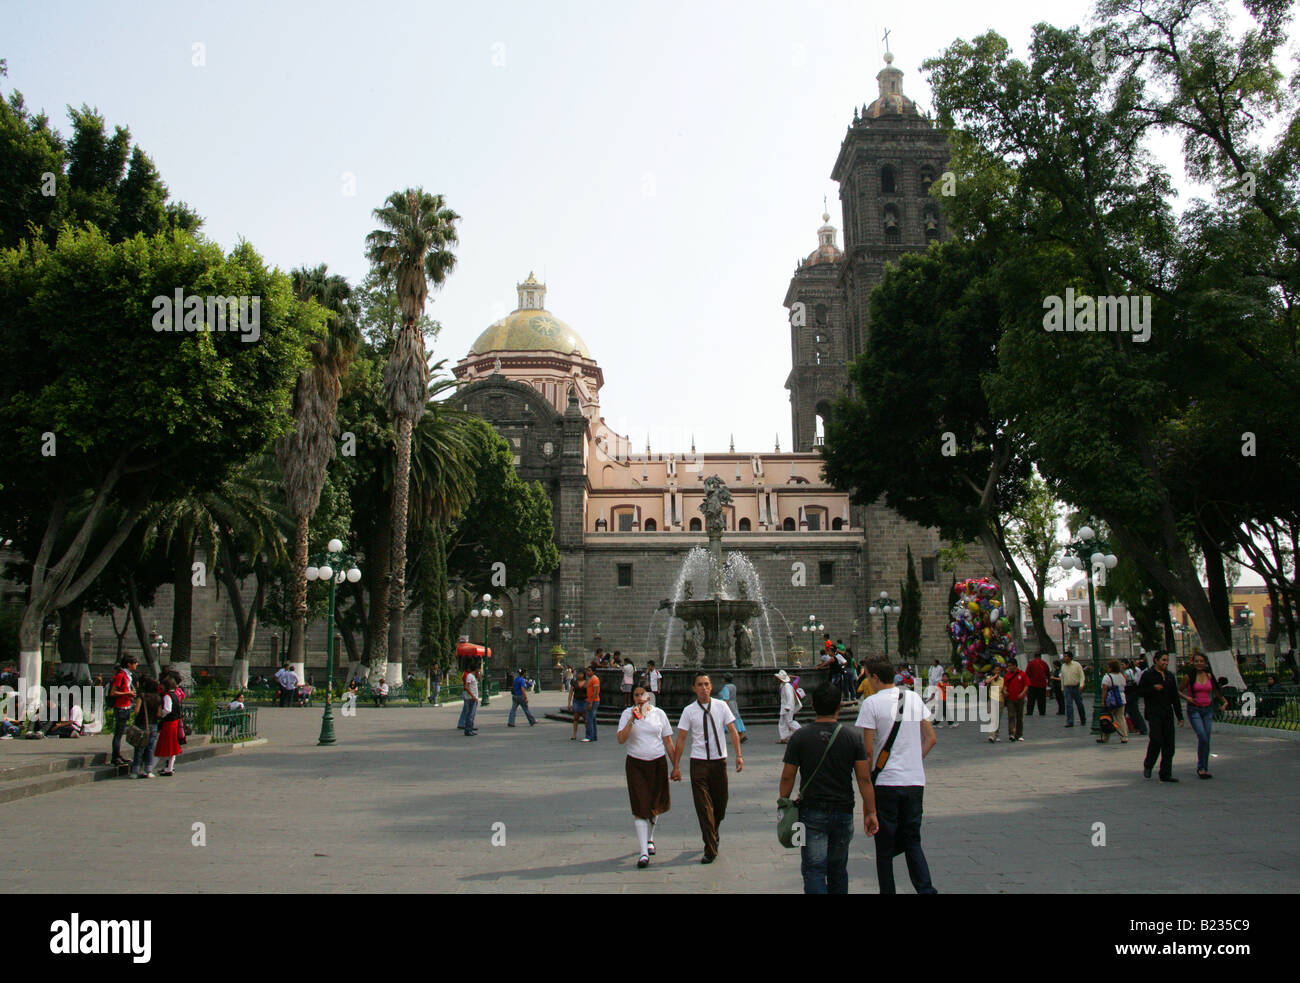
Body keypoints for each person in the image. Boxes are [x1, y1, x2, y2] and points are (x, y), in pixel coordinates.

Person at [778, 681, 878, 894]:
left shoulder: (800, 737)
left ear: (813, 705)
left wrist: (783, 802)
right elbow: (864, 779)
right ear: (839, 707)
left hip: (811, 811)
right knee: (838, 869)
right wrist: (871, 811)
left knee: (814, 868)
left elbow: (788, 776)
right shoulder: (852, 737)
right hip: (843, 811)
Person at [856, 660, 938, 894]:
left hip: (886, 784)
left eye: (868, 677)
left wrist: (866, 782)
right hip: (914, 781)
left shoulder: (870, 704)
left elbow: (868, 751)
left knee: (884, 848)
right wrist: (912, 759)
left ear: (875, 678)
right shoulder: (912, 697)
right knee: (913, 840)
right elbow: (931, 738)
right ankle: (926, 889)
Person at [670, 672, 743, 864]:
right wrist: (676, 766)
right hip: (699, 763)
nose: (704, 688)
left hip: (719, 762)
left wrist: (739, 755)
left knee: (720, 805)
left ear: (711, 687)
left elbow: (733, 731)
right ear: (694, 688)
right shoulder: (689, 711)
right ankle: (710, 848)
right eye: (700, 685)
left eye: (707, 684)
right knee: (703, 807)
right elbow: (682, 739)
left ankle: (714, 832)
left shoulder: (721, 706)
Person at [618, 686, 675, 868]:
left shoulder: (659, 714)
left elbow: (668, 740)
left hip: (658, 763)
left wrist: (677, 766)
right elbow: (621, 739)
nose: (640, 698)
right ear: (632, 697)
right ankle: (643, 852)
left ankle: (650, 837)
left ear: (649, 696)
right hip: (636, 764)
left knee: (655, 804)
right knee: (640, 806)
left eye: (643, 694)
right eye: (636, 695)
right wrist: (632, 721)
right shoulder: (627, 714)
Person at [1179, 650, 1228, 778]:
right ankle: (1201, 766)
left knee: (1206, 739)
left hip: (1208, 710)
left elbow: (1216, 690)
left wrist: (1224, 701)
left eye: (1201, 661)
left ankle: (1203, 768)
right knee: (1202, 736)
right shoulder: (1188, 677)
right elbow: (1178, 691)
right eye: (1196, 661)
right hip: (1194, 709)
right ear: (1193, 663)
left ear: (1205, 663)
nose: (1199, 663)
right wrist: (1187, 698)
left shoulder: (1209, 675)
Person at [1138, 651, 1185, 782]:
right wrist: (1153, 688)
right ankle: (1148, 764)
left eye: (1167, 660)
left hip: (1167, 713)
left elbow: (1175, 697)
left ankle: (1165, 773)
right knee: (1156, 740)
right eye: (1163, 660)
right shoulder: (1147, 675)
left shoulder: (1169, 676)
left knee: (1169, 745)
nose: (1165, 663)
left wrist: (1179, 716)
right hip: (1154, 713)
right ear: (1156, 660)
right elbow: (1140, 691)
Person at [108, 656, 138, 766]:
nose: (136, 664)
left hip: (126, 706)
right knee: (118, 733)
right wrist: (128, 693)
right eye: (135, 662)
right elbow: (113, 693)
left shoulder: (128, 676)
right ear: (128, 664)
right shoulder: (120, 676)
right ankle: (115, 756)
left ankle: (118, 755)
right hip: (120, 707)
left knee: (121, 732)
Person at [130, 675, 162, 779]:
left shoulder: (142, 697)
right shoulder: (158, 698)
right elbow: (159, 714)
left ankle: (135, 771)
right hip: (153, 724)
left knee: (139, 747)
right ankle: (148, 770)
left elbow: (136, 711)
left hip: (141, 724)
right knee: (150, 748)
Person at [154, 676, 183, 776]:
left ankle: (150, 768)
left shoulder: (167, 696)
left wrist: (161, 714)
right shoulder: (175, 695)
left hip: (169, 723)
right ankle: (169, 768)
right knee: (172, 747)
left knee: (163, 746)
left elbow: (167, 709)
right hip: (174, 722)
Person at [1097, 660, 1130, 744]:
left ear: (1111, 668)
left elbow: (1105, 689)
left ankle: (1105, 737)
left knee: (1107, 718)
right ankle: (1124, 737)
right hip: (1121, 699)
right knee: (1121, 718)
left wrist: (1103, 701)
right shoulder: (1121, 676)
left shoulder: (1107, 677)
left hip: (1111, 700)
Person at [716, 674, 747, 744]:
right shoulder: (733, 686)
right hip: (734, 704)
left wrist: (724, 707)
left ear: (724, 679)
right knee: (736, 718)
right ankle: (741, 734)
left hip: (729, 705)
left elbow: (726, 698)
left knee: (729, 720)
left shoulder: (726, 688)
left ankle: (738, 735)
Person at [1003, 660, 1029, 741]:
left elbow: (1027, 685)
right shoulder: (1007, 675)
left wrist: (1022, 693)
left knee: (1020, 717)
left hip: (1020, 699)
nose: (1009, 667)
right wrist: (1005, 691)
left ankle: (1019, 734)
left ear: (1015, 666)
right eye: (1008, 666)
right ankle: (1011, 734)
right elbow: (1005, 686)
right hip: (1010, 699)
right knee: (1011, 716)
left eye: (1010, 665)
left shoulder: (1022, 674)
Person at [776, 669, 802, 743]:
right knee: (783, 722)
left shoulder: (787, 686)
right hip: (785, 707)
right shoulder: (783, 685)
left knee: (789, 722)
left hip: (787, 707)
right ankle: (784, 737)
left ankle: (800, 731)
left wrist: (788, 706)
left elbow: (790, 697)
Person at [1061, 652, 1087, 727]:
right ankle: (1070, 721)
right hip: (1067, 687)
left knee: (1079, 704)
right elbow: (1062, 678)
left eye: (1066, 656)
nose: (1064, 658)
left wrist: (1081, 684)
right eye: (1064, 656)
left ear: (1070, 657)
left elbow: (1082, 675)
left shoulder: (1076, 665)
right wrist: (1062, 688)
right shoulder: (1063, 666)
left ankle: (1083, 719)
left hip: (1076, 686)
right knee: (1069, 705)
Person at [1123, 660, 1148, 736]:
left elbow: (1124, 681)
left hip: (1129, 692)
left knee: (1132, 711)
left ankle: (1139, 727)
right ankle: (1138, 727)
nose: (1122, 666)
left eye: (1123, 664)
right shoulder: (1138, 669)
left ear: (1127, 665)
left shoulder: (1127, 672)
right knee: (1134, 711)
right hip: (1136, 691)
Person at [458, 662, 481, 737]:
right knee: (470, 715)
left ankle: (470, 729)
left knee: (472, 714)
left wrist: (478, 675)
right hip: (470, 698)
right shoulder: (469, 676)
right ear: (476, 669)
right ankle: (468, 730)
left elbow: (479, 680)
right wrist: (473, 696)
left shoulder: (473, 676)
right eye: (478, 669)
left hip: (474, 698)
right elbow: (466, 687)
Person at [568, 668, 588, 741]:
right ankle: (574, 734)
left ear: (584, 675)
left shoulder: (587, 682)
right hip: (576, 701)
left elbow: (589, 693)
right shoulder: (574, 682)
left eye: (581, 674)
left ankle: (587, 733)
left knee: (585, 718)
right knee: (575, 718)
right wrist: (569, 703)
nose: (579, 675)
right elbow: (570, 693)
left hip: (584, 701)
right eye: (578, 674)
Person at [584, 665, 602, 742]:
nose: (587, 672)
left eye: (589, 670)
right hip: (590, 700)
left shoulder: (595, 679)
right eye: (587, 670)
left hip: (593, 701)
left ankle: (589, 736)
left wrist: (591, 702)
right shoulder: (591, 679)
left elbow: (595, 692)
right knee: (592, 719)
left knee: (589, 719)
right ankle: (594, 736)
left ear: (593, 671)